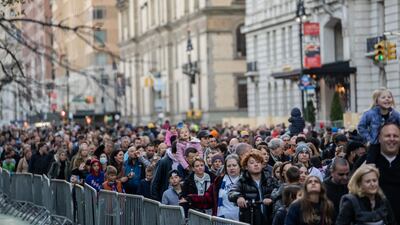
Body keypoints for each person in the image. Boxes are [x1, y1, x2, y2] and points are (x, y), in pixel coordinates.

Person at [363, 122, 400, 224]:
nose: (392, 139)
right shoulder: (366, 161)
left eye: (395, 136)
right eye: (388, 136)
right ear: (379, 138)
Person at [185, 154, 241, 220]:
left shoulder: (245, 180)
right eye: (229, 166)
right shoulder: (219, 181)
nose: (231, 168)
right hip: (221, 219)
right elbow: (207, 198)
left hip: (241, 219)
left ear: (240, 166)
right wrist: (190, 198)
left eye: (234, 165)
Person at [228, 150, 274, 225]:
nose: (256, 164)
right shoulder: (242, 181)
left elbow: (279, 191)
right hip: (250, 219)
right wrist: (239, 197)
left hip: (269, 219)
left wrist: (272, 199)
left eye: (258, 162)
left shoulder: (269, 179)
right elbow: (231, 193)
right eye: (252, 163)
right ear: (246, 166)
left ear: (262, 164)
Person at [322, 157, 349, 222]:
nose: (345, 177)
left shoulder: (351, 186)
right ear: (332, 172)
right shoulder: (323, 188)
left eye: (347, 174)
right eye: (341, 174)